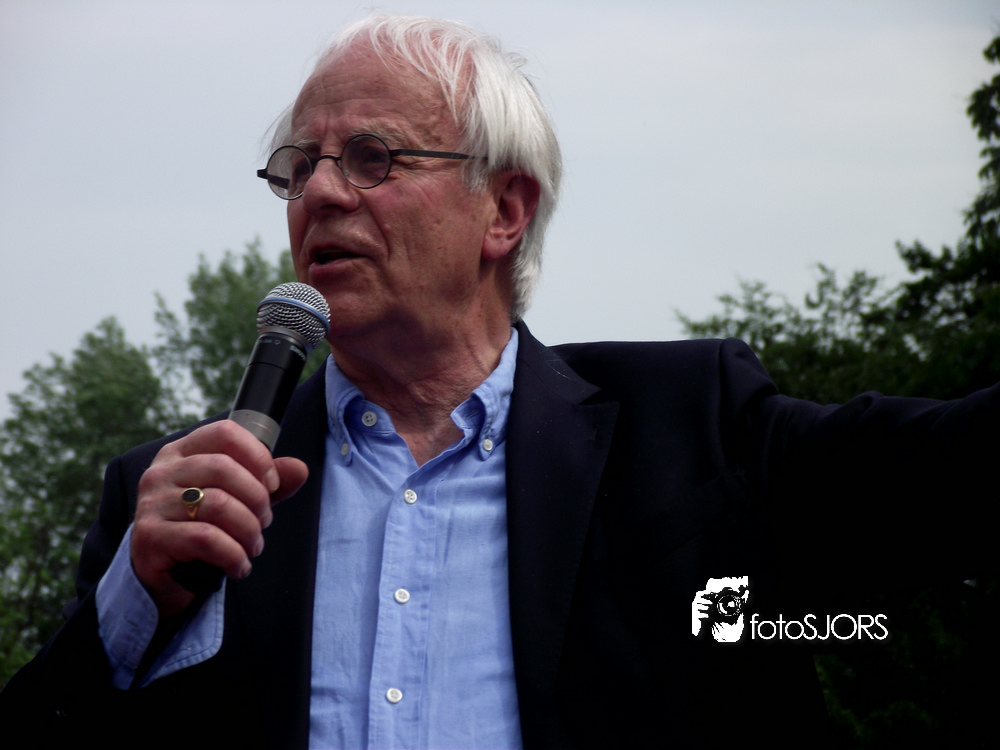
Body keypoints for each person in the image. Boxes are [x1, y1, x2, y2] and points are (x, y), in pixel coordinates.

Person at [1, 14, 996, 749]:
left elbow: (952, 473)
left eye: (372, 158)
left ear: (504, 212)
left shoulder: (696, 433)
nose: (320, 192)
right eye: (298, 167)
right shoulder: (177, 502)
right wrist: (134, 601)